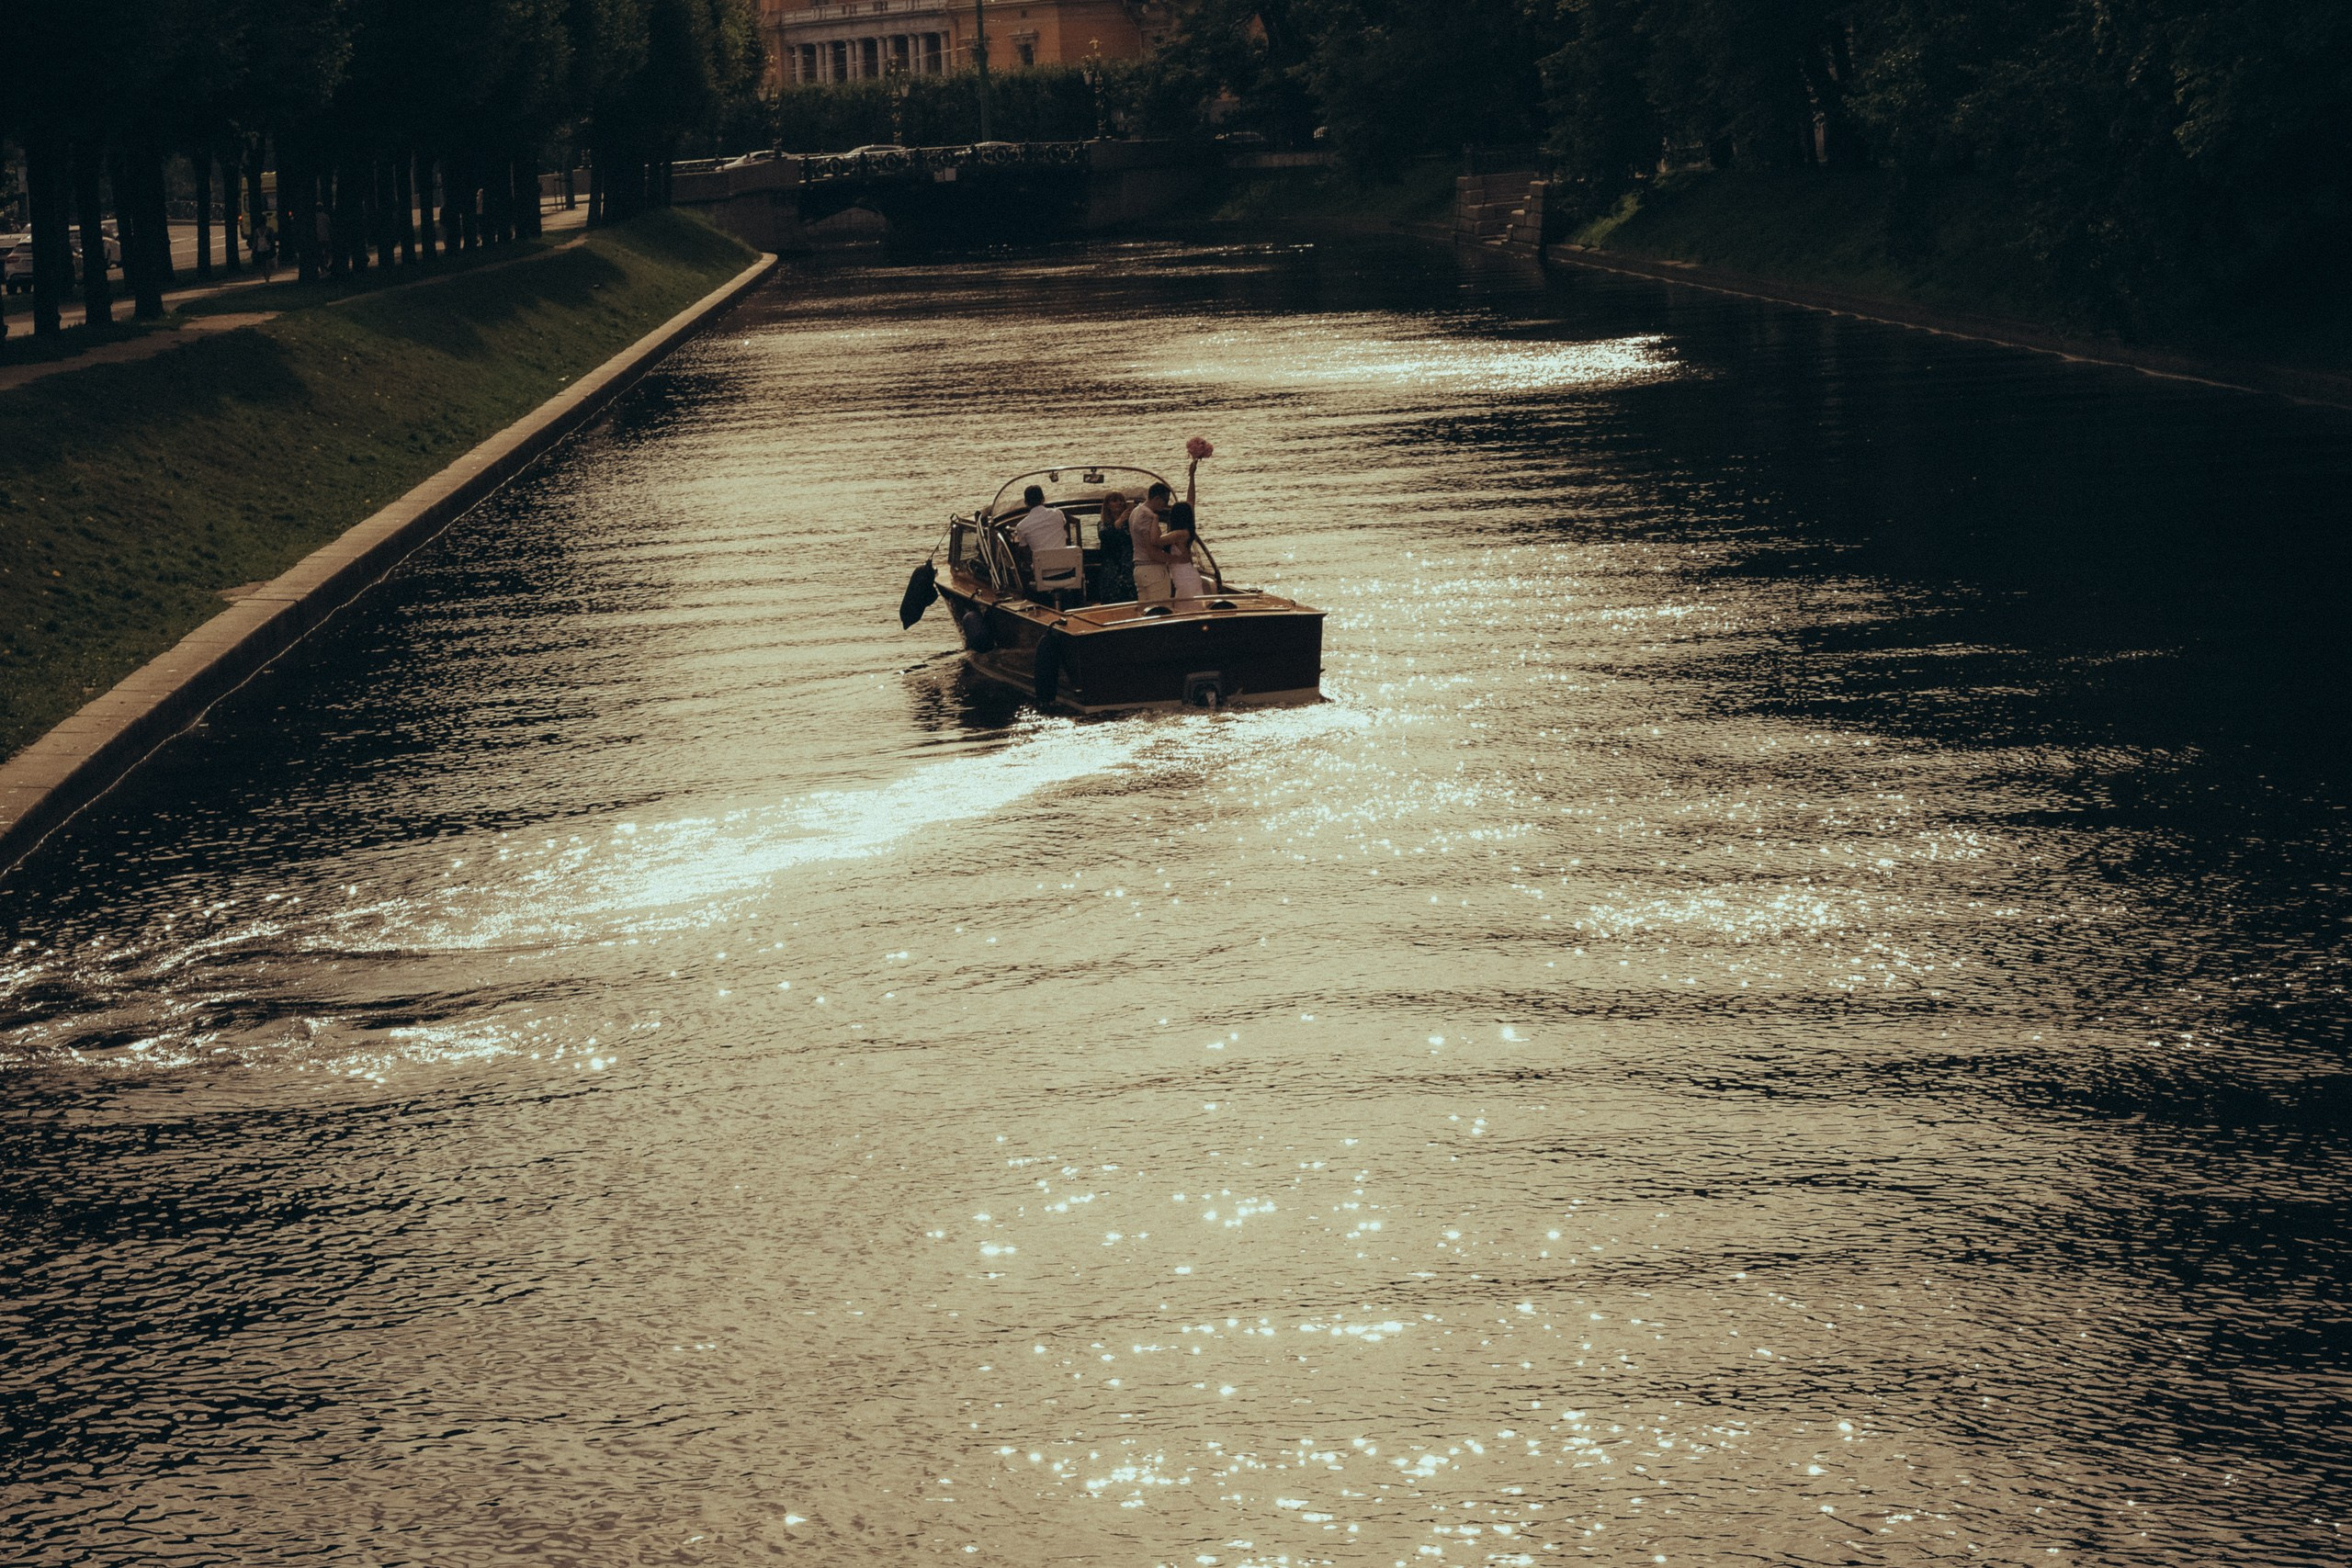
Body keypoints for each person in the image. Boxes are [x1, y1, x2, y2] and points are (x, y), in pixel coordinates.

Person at [1128, 480, 1175, 601]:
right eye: (1165, 501)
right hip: (1153, 570)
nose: (1166, 505)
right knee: (1161, 608)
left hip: (1139, 569)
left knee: (1145, 609)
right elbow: (1152, 552)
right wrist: (1177, 559)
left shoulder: (1135, 512)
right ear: (1157, 498)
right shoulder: (1147, 516)